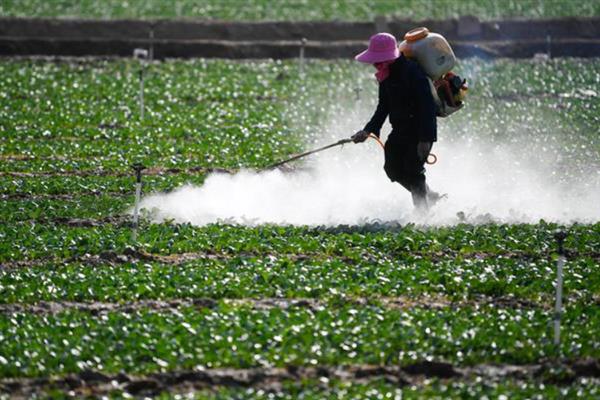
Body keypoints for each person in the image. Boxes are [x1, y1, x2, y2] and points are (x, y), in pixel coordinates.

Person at [352, 32, 442, 210]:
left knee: (413, 170)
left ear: (389, 57)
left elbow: (427, 108)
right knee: (392, 169)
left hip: (419, 131)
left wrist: (426, 139)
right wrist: (368, 130)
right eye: (375, 62)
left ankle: (422, 215)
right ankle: (428, 195)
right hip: (400, 130)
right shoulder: (386, 75)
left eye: (379, 61)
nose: (376, 65)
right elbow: (383, 106)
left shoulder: (413, 73)